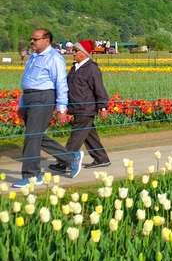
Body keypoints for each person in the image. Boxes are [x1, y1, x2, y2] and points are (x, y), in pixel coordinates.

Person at [14, 28, 79, 188]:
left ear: (46, 40)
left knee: (32, 136)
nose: (32, 42)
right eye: (32, 39)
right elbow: (26, 81)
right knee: (35, 136)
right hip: (29, 97)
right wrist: (22, 104)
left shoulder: (54, 58)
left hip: (43, 97)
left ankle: (32, 176)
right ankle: (70, 158)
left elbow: (61, 84)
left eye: (35, 39)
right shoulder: (33, 57)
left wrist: (61, 108)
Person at [49, 40, 111, 173]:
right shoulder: (74, 67)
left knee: (75, 137)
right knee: (89, 135)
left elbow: (99, 89)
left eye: (76, 51)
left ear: (84, 53)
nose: (73, 53)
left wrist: (103, 107)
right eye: (73, 50)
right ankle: (102, 159)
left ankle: (63, 163)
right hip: (76, 107)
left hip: (86, 109)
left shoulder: (92, 68)